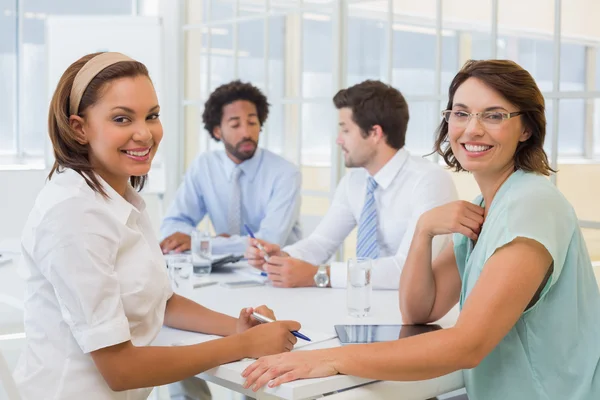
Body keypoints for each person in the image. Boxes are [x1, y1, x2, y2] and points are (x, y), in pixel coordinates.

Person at [239, 60, 600, 400]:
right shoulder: (483, 207)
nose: (472, 129)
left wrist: (336, 357)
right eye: (461, 113)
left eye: (493, 115)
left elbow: (467, 345)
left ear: (526, 128)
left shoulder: (532, 203)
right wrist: (424, 230)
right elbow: (419, 311)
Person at [12, 52, 300, 400]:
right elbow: (121, 370)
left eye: (152, 116)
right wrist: (242, 344)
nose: (144, 133)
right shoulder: (74, 214)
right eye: (122, 119)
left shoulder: (121, 197)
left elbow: (161, 303)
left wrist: (238, 326)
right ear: (79, 128)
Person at [245, 80, 457, 289]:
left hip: (417, 312)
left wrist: (319, 275)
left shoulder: (429, 181)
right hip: (361, 304)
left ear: (375, 133)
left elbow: (406, 269)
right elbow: (321, 242)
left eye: (345, 130)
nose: (338, 140)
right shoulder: (354, 182)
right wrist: (282, 257)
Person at [160, 80, 302, 256]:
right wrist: (210, 241)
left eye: (252, 122)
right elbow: (172, 224)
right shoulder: (204, 166)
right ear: (217, 131)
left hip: (275, 272)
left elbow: (269, 240)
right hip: (223, 271)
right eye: (235, 125)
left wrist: (209, 243)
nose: (246, 133)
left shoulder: (285, 173)